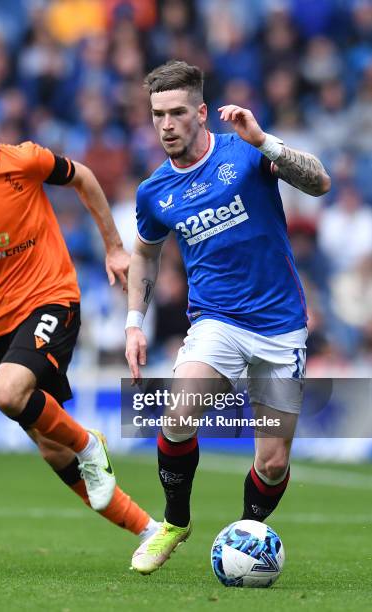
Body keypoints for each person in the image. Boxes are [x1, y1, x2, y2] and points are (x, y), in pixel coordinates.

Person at [0, 76, 158, 544]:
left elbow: (81, 175)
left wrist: (114, 248)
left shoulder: (22, 160)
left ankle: (90, 444)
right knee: (48, 445)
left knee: (5, 392)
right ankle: (147, 529)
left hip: (52, 296)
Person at [125, 61, 331, 574]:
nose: (166, 124)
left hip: (281, 326)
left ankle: (245, 537)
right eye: (157, 115)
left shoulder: (244, 150)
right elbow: (145, 254)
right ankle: (174, 522)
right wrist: (133, 321)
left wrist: (265, 140)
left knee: (273, 461)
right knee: (177, 416)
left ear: (200, 112)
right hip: (216, 322)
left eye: (176, 112)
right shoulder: (154, 192)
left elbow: (320, 182)